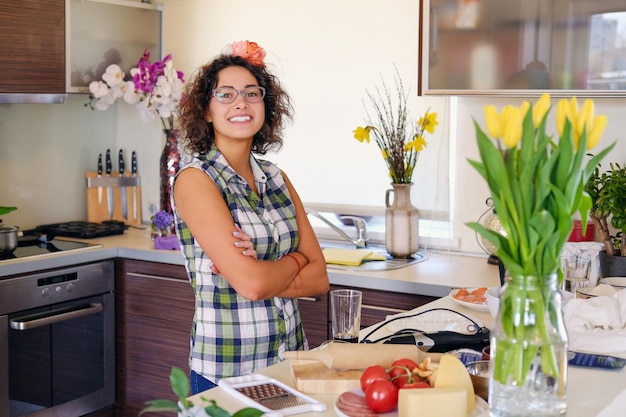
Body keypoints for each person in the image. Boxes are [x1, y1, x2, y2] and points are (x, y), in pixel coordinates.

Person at [172, 40, 330, 394]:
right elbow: (253, 285)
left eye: (251, 93)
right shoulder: (196, 180)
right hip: (228, 373)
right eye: (225, 95)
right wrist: (297, 258)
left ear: (265, 106)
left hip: (289, 365)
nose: (240, 102)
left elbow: (319, 277)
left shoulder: (276, 177)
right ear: (206, 111)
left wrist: (261, 272)